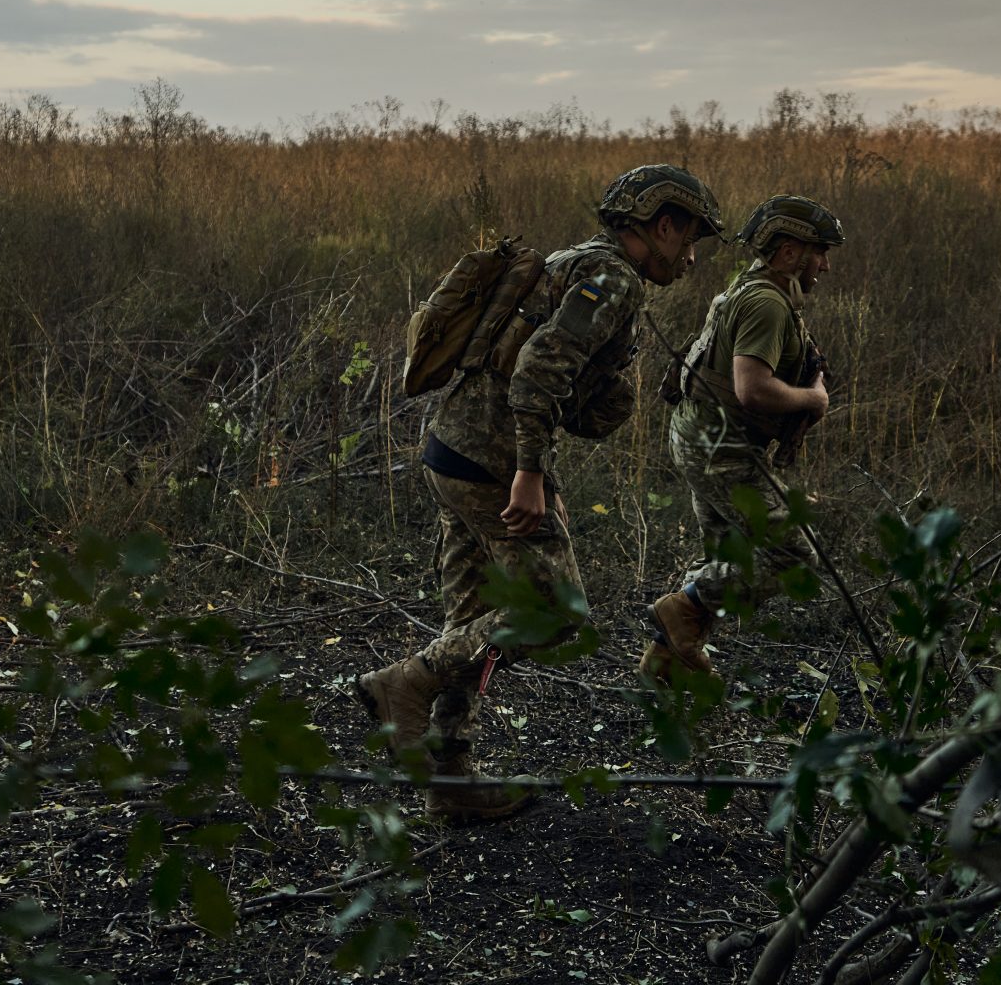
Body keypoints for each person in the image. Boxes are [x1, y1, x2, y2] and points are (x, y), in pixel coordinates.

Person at [358, 164, 724, 821]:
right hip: (494, 464)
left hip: (453, 447)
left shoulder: (572, 261)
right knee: (555, 612)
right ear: (662, 225)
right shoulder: (611, 279)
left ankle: (448, 778)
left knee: (472, 613)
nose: (693, 257)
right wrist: (530, 474)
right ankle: (402, 686)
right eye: (691, 238)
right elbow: (538, 372)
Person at [640, 194, 845, 680]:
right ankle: (681, 608)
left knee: (729, 557)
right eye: (820, 252)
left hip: (703, 438)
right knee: (793, 558)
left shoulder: (752, 289)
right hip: (722, 448)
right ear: (789, 252)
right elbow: (751, 388)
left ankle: (668, 663)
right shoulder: (767, 304)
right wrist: (814, 401)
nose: (826, 266)